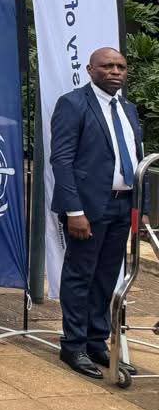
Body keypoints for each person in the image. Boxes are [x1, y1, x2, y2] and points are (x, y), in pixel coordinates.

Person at [51, 47, 144, 379]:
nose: (115, 71)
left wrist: (141, 207)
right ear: (91, 70)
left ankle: (96, 342)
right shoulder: (73, 104)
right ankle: (73, 345)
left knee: (106, 277)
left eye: (121, 66)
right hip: (87, 209)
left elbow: (137, 158)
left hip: (123, 205)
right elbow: (61, 160)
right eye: (107, 66)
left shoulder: (128, 109)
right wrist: (74, 210)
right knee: (80, 276)